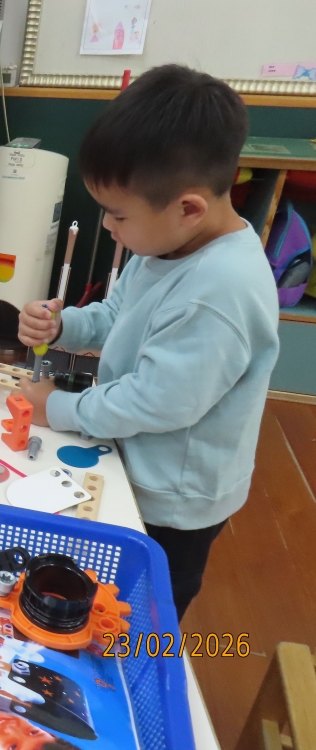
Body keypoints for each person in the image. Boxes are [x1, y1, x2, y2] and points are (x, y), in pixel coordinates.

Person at [17, 65, 280, 620]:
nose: (107, 227)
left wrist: (58, 407)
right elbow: (118, 313)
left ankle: (146, 653)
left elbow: (157, 402)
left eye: (117, 215)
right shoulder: (169, 245)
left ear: (188, 208)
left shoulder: (219, 291)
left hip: (174, 501)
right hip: (135, 457)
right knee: (104, 593)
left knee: (147, 614)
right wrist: (64, 327)